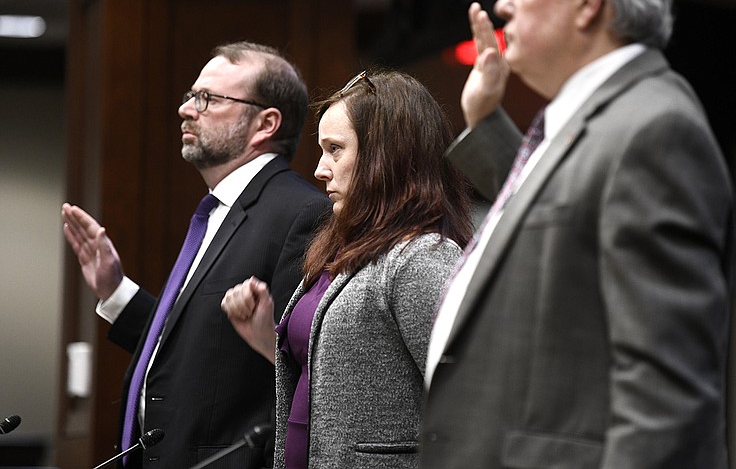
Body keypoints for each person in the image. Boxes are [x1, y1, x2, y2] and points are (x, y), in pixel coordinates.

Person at [420, 0, 736, 469]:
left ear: (589, 0)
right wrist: (483, 121)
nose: (502, 2)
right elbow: (553, 214)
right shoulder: (603, 118)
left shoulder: (653, 128)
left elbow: (665, 400)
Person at [61, 42, 331, 469]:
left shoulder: (300, 214)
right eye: (190, 96)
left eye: (209, 99)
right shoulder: (217, 210)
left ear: (265, 123)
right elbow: (200, 352)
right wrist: (115, 291)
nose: (188, 109)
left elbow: (305, 366)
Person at [221, 69, 473, 469]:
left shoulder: (421, 256)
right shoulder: (343, 249)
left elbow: (472, 398)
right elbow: (345, 378)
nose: (321, 169)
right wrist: (265, 338)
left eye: (335, 149)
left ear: (386, 155)